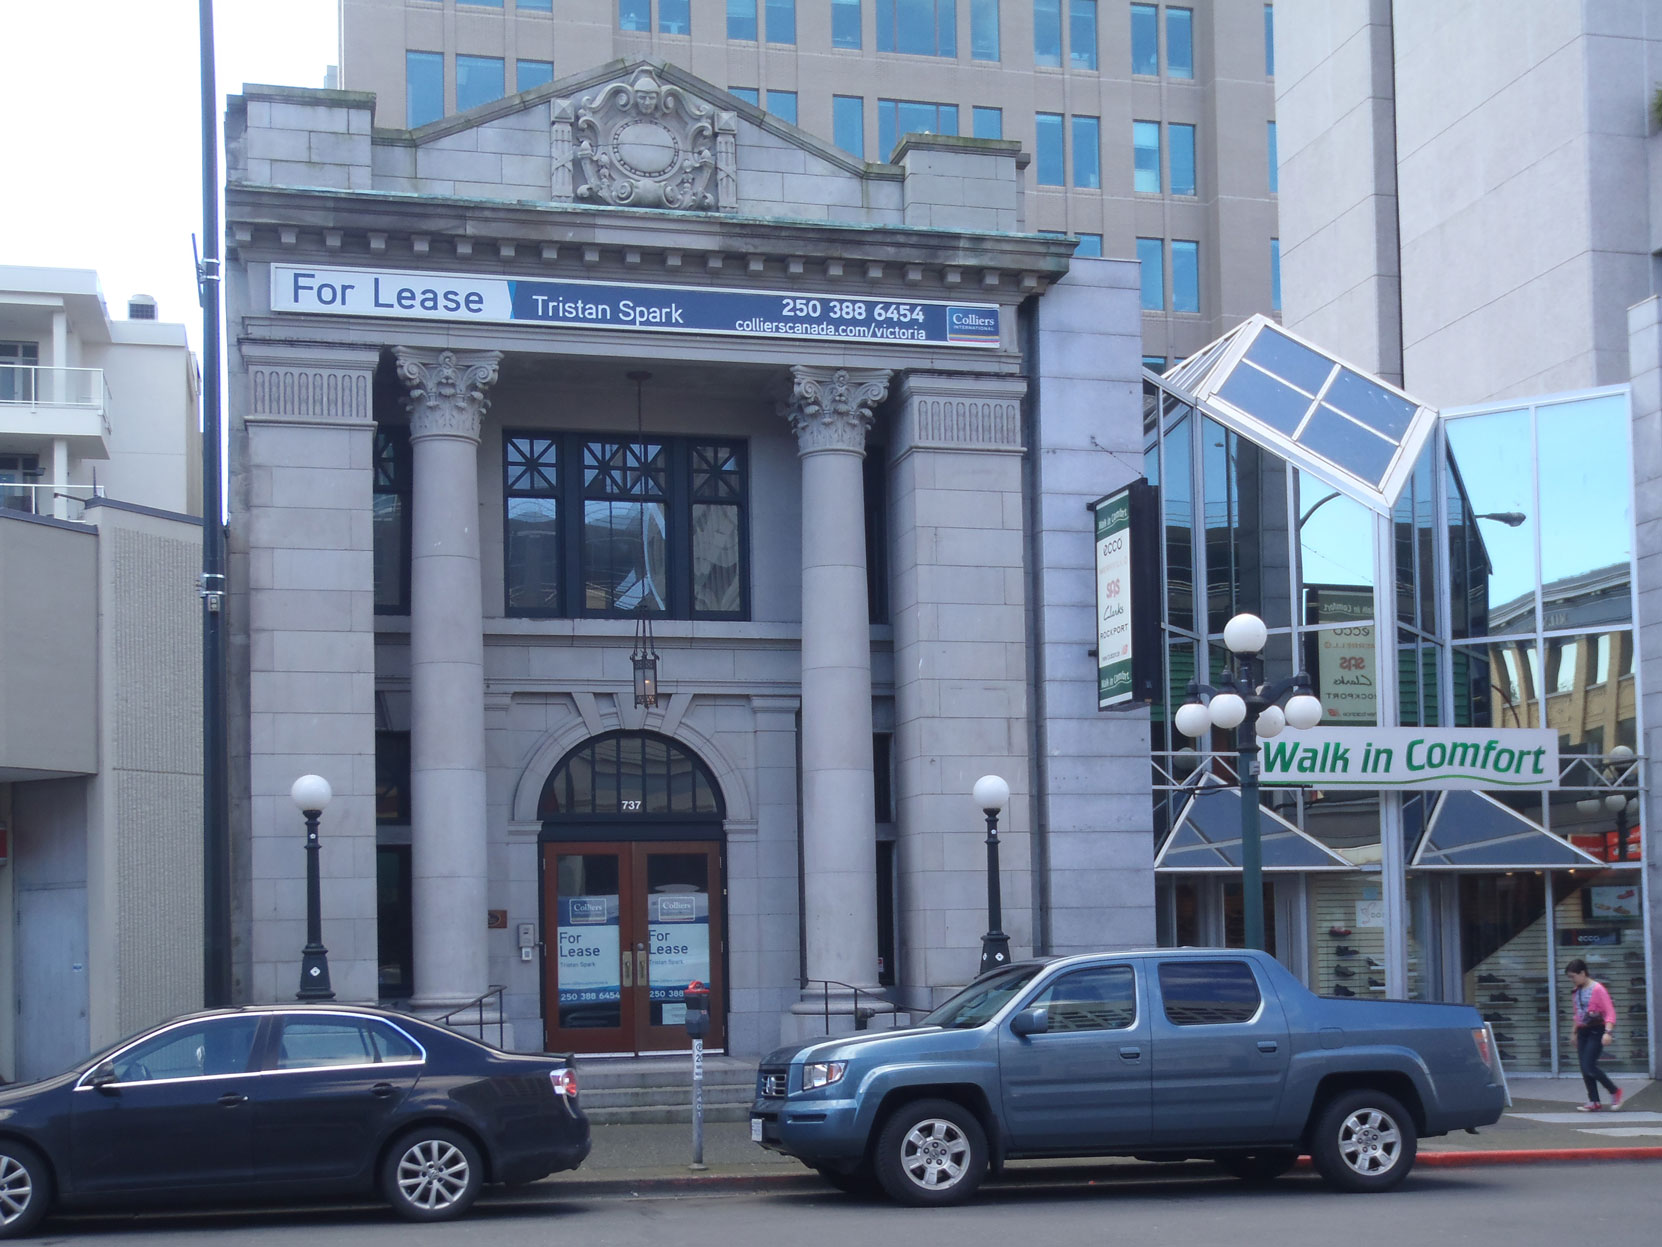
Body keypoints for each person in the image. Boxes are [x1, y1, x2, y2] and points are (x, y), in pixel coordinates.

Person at [1565, 958, 1623, 1112]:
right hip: (1583, 1030)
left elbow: (1610, 1012)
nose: (1572, 980)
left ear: (1582, 973)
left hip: (1597, 1030)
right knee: (1584, 1068)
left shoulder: (1598, 989)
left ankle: (1614, 1091)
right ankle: (1594, 1100)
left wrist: (1608, 1032)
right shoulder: (1576, 991)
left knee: (1589, 1065)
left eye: (1573, 977)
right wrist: (1574, 1033)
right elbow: (1577, 1013)